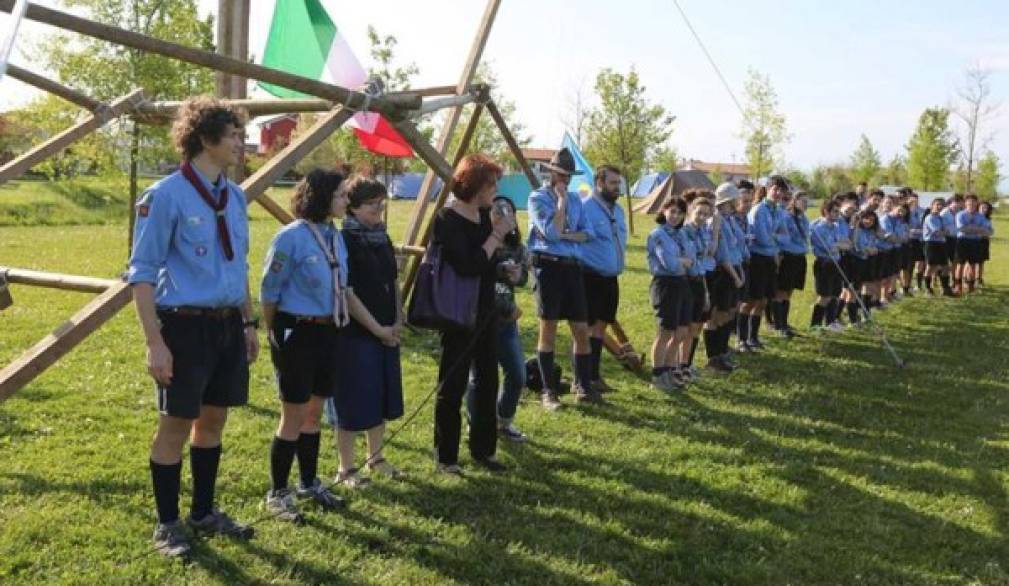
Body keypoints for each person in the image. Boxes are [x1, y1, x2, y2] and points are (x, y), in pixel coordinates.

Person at [128, 96, 258, 557]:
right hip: (183, 327)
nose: (242, 143)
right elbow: (141, 273)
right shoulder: (165, 196)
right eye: (234, 136)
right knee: (176, 425)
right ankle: (168, 523)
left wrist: (247, 321)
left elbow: (237, 262)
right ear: (205, 140)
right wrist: (155, 344)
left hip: (226, 326)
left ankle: (203, 511)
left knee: (215, 419)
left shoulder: (235, 195)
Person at [260, 170, 351, 522]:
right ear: (322, 197)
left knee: (314, 412)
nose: (346, 200)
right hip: (296, 331)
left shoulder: (334, 236)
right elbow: (270, 290)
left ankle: (308, 482)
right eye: (341, 194)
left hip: (328, 332)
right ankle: (277, 492)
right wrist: (273, 331)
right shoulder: (290, 238)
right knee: (293, 414)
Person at [433, 153, 515, 475]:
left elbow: (484, 264)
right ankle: (446, 458)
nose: (495, 189)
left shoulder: (483, 215)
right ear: (473, 184)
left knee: (487, 380)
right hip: (457, 312)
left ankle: (484, 450)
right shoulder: (447, 218)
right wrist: (497, 235)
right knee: (452, 385)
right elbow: (466, 265)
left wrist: (502, 267)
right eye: (490, 183)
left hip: (485, 309)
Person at [329, 177, 406, 486]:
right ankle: (346, 468)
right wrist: (377, 329)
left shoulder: (381, 237)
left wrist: (398, 317)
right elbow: (346, 291)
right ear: (353, 207)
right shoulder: (344, 240)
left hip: (387, 329)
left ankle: (377, 457)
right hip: (356, 332)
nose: (380, 210)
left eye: (382, 203)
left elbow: (393, 279)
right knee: (352, 400)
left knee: (381, 395)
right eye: (373, 204)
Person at [527, 148, 600, 408]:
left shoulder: (578, 200)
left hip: (572, 267)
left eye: (568, 176)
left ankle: (583, 385)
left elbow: (587, 233)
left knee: (581, 329)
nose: (565, 180)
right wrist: (560, 205)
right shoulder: (537, 198)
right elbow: (553, 232)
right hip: (548, 268)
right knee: (549, 329)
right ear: (551, 174)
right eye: (561, 175)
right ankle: (549, 391)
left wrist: (567, 234)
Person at [466, 195, 530, 443]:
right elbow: (478, 274)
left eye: (508, 211)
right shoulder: (481, 244)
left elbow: (523, 278)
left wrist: (517, 276)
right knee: (479, 378)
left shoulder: (517, 247)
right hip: (481, 321)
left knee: (517, 374)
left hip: (506, 324)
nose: (503, 215)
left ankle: (503, 420)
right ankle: (476, 423)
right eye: (497, 211)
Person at [579, 165, 628, 393]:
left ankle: (594, 376)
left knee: (600, 328)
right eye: (613, 183)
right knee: (585, 330)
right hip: (590, 277)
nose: (617, 188)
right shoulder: (585, 208)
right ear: (599, 183)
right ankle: (581, 380)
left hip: (611, 278)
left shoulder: (618, 211)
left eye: (619, 183)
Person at [646, 198, 692, 392]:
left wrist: (682, 261)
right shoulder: (657, 235)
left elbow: (693, 259)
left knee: (679, 331)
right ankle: (657, 376)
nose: (675, 216)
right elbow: (670, 265)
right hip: (665, 284)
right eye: (672, 211)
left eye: (680, 213)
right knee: (665, 332)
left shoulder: (681, 234)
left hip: (682, 284)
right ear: (664, 211)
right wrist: (683, 261)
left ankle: (668, 370)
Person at [741, 175, 789, 351]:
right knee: (751, 301)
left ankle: (754, 337)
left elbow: (785, 237)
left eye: (781, 191)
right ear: (767, 189)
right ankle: (742, 339)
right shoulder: (759, 210)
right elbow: (762, 238)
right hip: (757, 259)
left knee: (763, 301)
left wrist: (774, 238)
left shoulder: (778, 211)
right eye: (775, 189)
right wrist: (775, 238)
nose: (777, 193)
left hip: (771, 259)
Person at [705, 183, 745, 372]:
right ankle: (714, 358)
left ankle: (722, 352)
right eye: (735, 198)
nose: (739, 201)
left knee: (729, 313)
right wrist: (735, 275)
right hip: (724, 272)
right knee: (717, 316)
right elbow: (722, 253)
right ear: (728, 200)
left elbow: (738, 245)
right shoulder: (717, 220)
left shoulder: (731, 219)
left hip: (735, 268)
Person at [679, 193, 714, 382]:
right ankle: (678, 365)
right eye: (699, 213)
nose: (702, 217)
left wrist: (706, 291)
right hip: (686, 282)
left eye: (706, 215)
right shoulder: (683, 232)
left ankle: (686, 364)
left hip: (700, 280)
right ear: (691, 211)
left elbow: (703, 261)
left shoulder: (703, 232)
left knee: (695, 327)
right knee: (684, 328)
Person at [773, 190, 809, 337]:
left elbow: (806, 235)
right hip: (788, 256)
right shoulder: (786, 217)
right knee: (781, 291)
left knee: (790, 291)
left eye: (807, 202)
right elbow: (782, 236)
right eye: (803, 201)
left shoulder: (804, 218)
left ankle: (785, 322)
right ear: (794, 201)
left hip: (800, 256)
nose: (805, 204)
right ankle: (778, 325)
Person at [809, 200, 844, 331]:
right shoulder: (819, 228)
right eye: (835, 211)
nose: (838, 214)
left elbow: (842, 244)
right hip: (824, 263)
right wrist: (840, 245)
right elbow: (831, 247)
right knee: (825, 295)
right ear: (826, 212)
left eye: (838, 211)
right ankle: (815, 325)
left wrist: (840, 245)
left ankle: (830, 322)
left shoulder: (835, 226)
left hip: (836, 262)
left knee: (835, 293)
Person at [955, 194, 990, 294]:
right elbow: (961, 228)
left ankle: (971, 286)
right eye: (969, 202)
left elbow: (985, 230)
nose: (971, 204)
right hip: (962, 241)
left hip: (976, 242)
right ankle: (958, 286)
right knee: (960, 265)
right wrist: (977, 229)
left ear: (976, 203)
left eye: (973, 202)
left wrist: (971, 228)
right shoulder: (960, 214)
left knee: (973, 265)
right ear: (965, 203)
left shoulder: (981, 216)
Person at [922, 198, 954, 296]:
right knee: (931, 266)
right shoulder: (929, 218)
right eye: (937, 205)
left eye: (941, 205)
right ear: (932, 206)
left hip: (941, 243)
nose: (939, 207)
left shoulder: (940, 218)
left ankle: (945, 289)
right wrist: (944, 232)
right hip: (931, 243)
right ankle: (928, 289)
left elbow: (946, 231)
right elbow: (937, 232)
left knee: (945, 266)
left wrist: (944, 232)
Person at [940, 194, 963, 295]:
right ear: (951, 202)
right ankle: (943, 285)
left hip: (956, 239)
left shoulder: (960, 213)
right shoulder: (944, 213)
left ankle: (954, 282)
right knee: (944, 263)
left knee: (955, 261)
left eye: (959, 202)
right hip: (945, 239)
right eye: (955, 202)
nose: (957, 204)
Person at [906, 191, 927, 293]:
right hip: (910, 239)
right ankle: (907, 285)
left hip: (921, 239)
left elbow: (924, 224)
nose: (914, 202)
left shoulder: (923, 211)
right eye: (911, 200)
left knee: (921, 262)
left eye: (916, 200)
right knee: (910, 264)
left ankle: (918, 285)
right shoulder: (906, 212)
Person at [978, 200, 994, 287]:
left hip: (985, 241)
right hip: (976, 241)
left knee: (982, 261)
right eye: (982, 207)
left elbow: (991, 230)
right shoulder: (975, 217)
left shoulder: (988, 219)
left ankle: (980, 278)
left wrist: (987, 232)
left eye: (986, 208)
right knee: (973, 261)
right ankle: (970, 279)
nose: (984, 209)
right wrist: (984, 232)